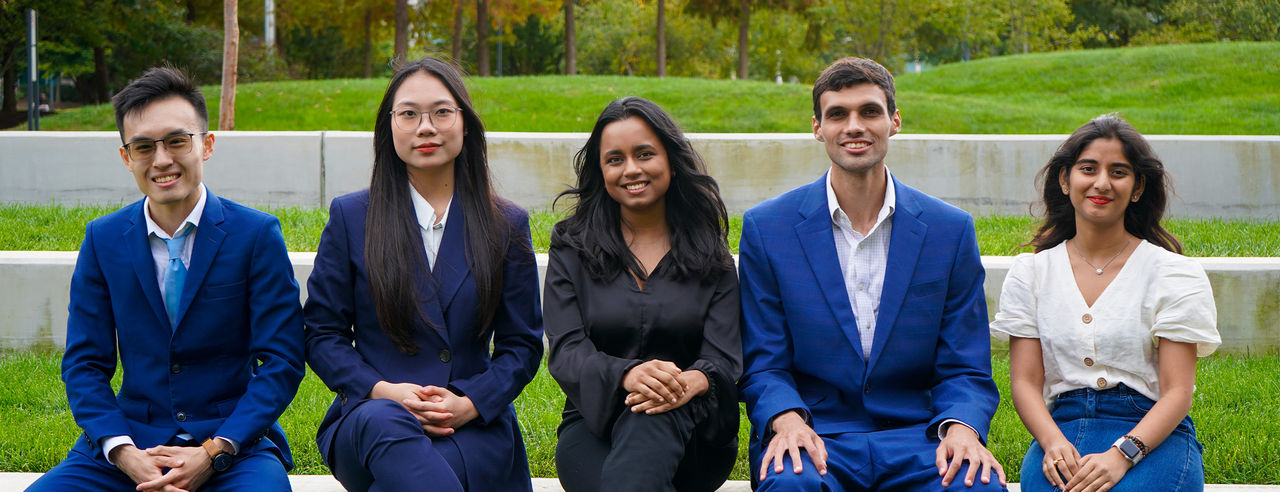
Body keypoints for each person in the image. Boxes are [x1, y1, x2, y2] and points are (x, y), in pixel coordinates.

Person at [27, 67, 305, 492]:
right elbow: (84, 364)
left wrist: (214, 452)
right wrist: (122, 452)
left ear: (206, 145)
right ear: (126, 157)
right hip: (132, 445)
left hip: (234, 448)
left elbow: (283, 361)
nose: (161, 160)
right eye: (143, 147)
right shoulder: (103, 240)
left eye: (177, 140)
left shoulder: (256, 235)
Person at [737, 57, 1007, 491]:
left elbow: (965, 363)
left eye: (869, 111)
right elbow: (763, 359)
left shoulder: (949, 230)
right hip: (816, 431)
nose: (854, 126)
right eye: (837, 114)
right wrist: (786, 420)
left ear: (894, 120)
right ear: (817, 127)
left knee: (975, 485)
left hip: (920, 435)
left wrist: (961, 428)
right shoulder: (768, 228)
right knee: (790, 485)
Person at [303, 56, 543, 492]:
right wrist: (381, 390)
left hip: (471, 424)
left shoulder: (506, 224)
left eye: (441, 112)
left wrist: (470, 402)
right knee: (388, 427)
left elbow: (521, 345)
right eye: (409, 114)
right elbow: (322, 333)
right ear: (389, 126)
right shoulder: (351, 216)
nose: (425, 127)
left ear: (465, 123)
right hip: (369, 420)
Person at [991, 115, 1220, 492]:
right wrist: (1052, 444)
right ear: (1065, 180)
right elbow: (1025, 382)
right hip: (1062, 430)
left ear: (1137, 187)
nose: (1101, 183)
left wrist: (1122, 454)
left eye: (1118, 172)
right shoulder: (1031, 273)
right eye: (1088, 169)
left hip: (1150, 433)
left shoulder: (1174, 274)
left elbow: (1177, 391)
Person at [544, 97, 742, 492]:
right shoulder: (572, 246)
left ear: (670, 159)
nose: (631, 169)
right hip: (595, 426)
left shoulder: (710, 254)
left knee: (651, 423)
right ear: (600, 171)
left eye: (645, 154)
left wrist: (687, 383)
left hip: (694, 430)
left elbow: (725, 357)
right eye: (615, 159)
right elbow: (567, 350)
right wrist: (629, 375)